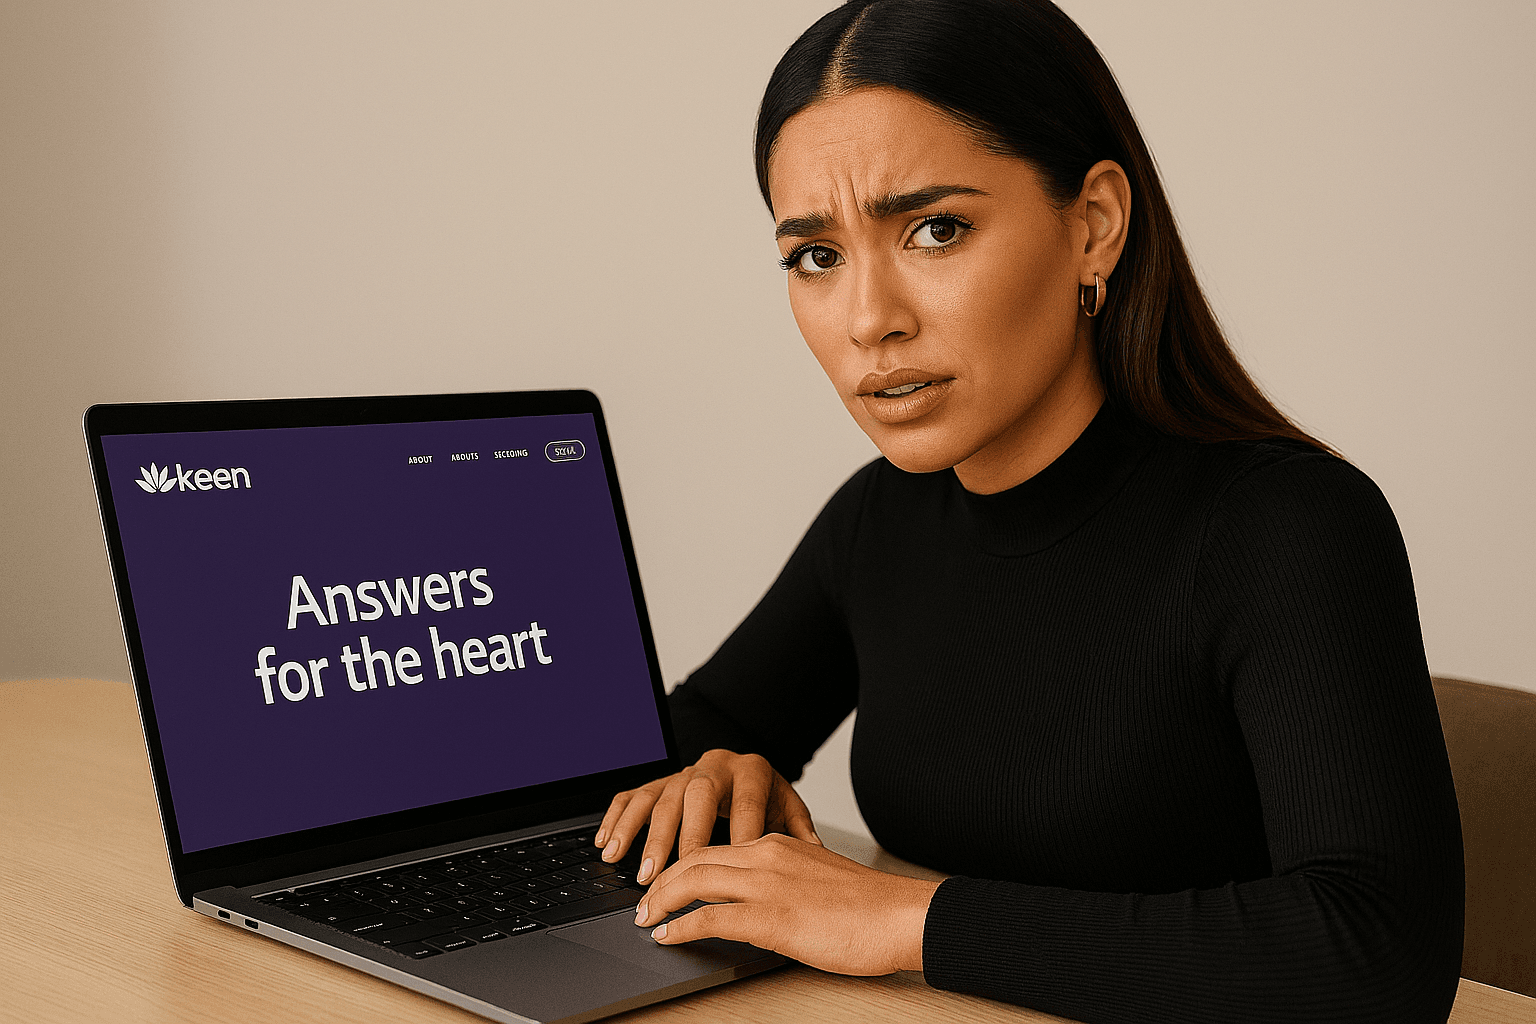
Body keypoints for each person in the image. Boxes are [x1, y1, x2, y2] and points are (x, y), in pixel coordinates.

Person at [594, 2, 1464, 1022]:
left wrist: (903, 922)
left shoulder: (1288, 527)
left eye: (936, 229)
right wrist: (714, 771)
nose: (870, 319)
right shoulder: (883, 520)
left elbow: (1374, 948)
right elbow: (691, 731)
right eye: (816, 255)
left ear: (1092, 225)